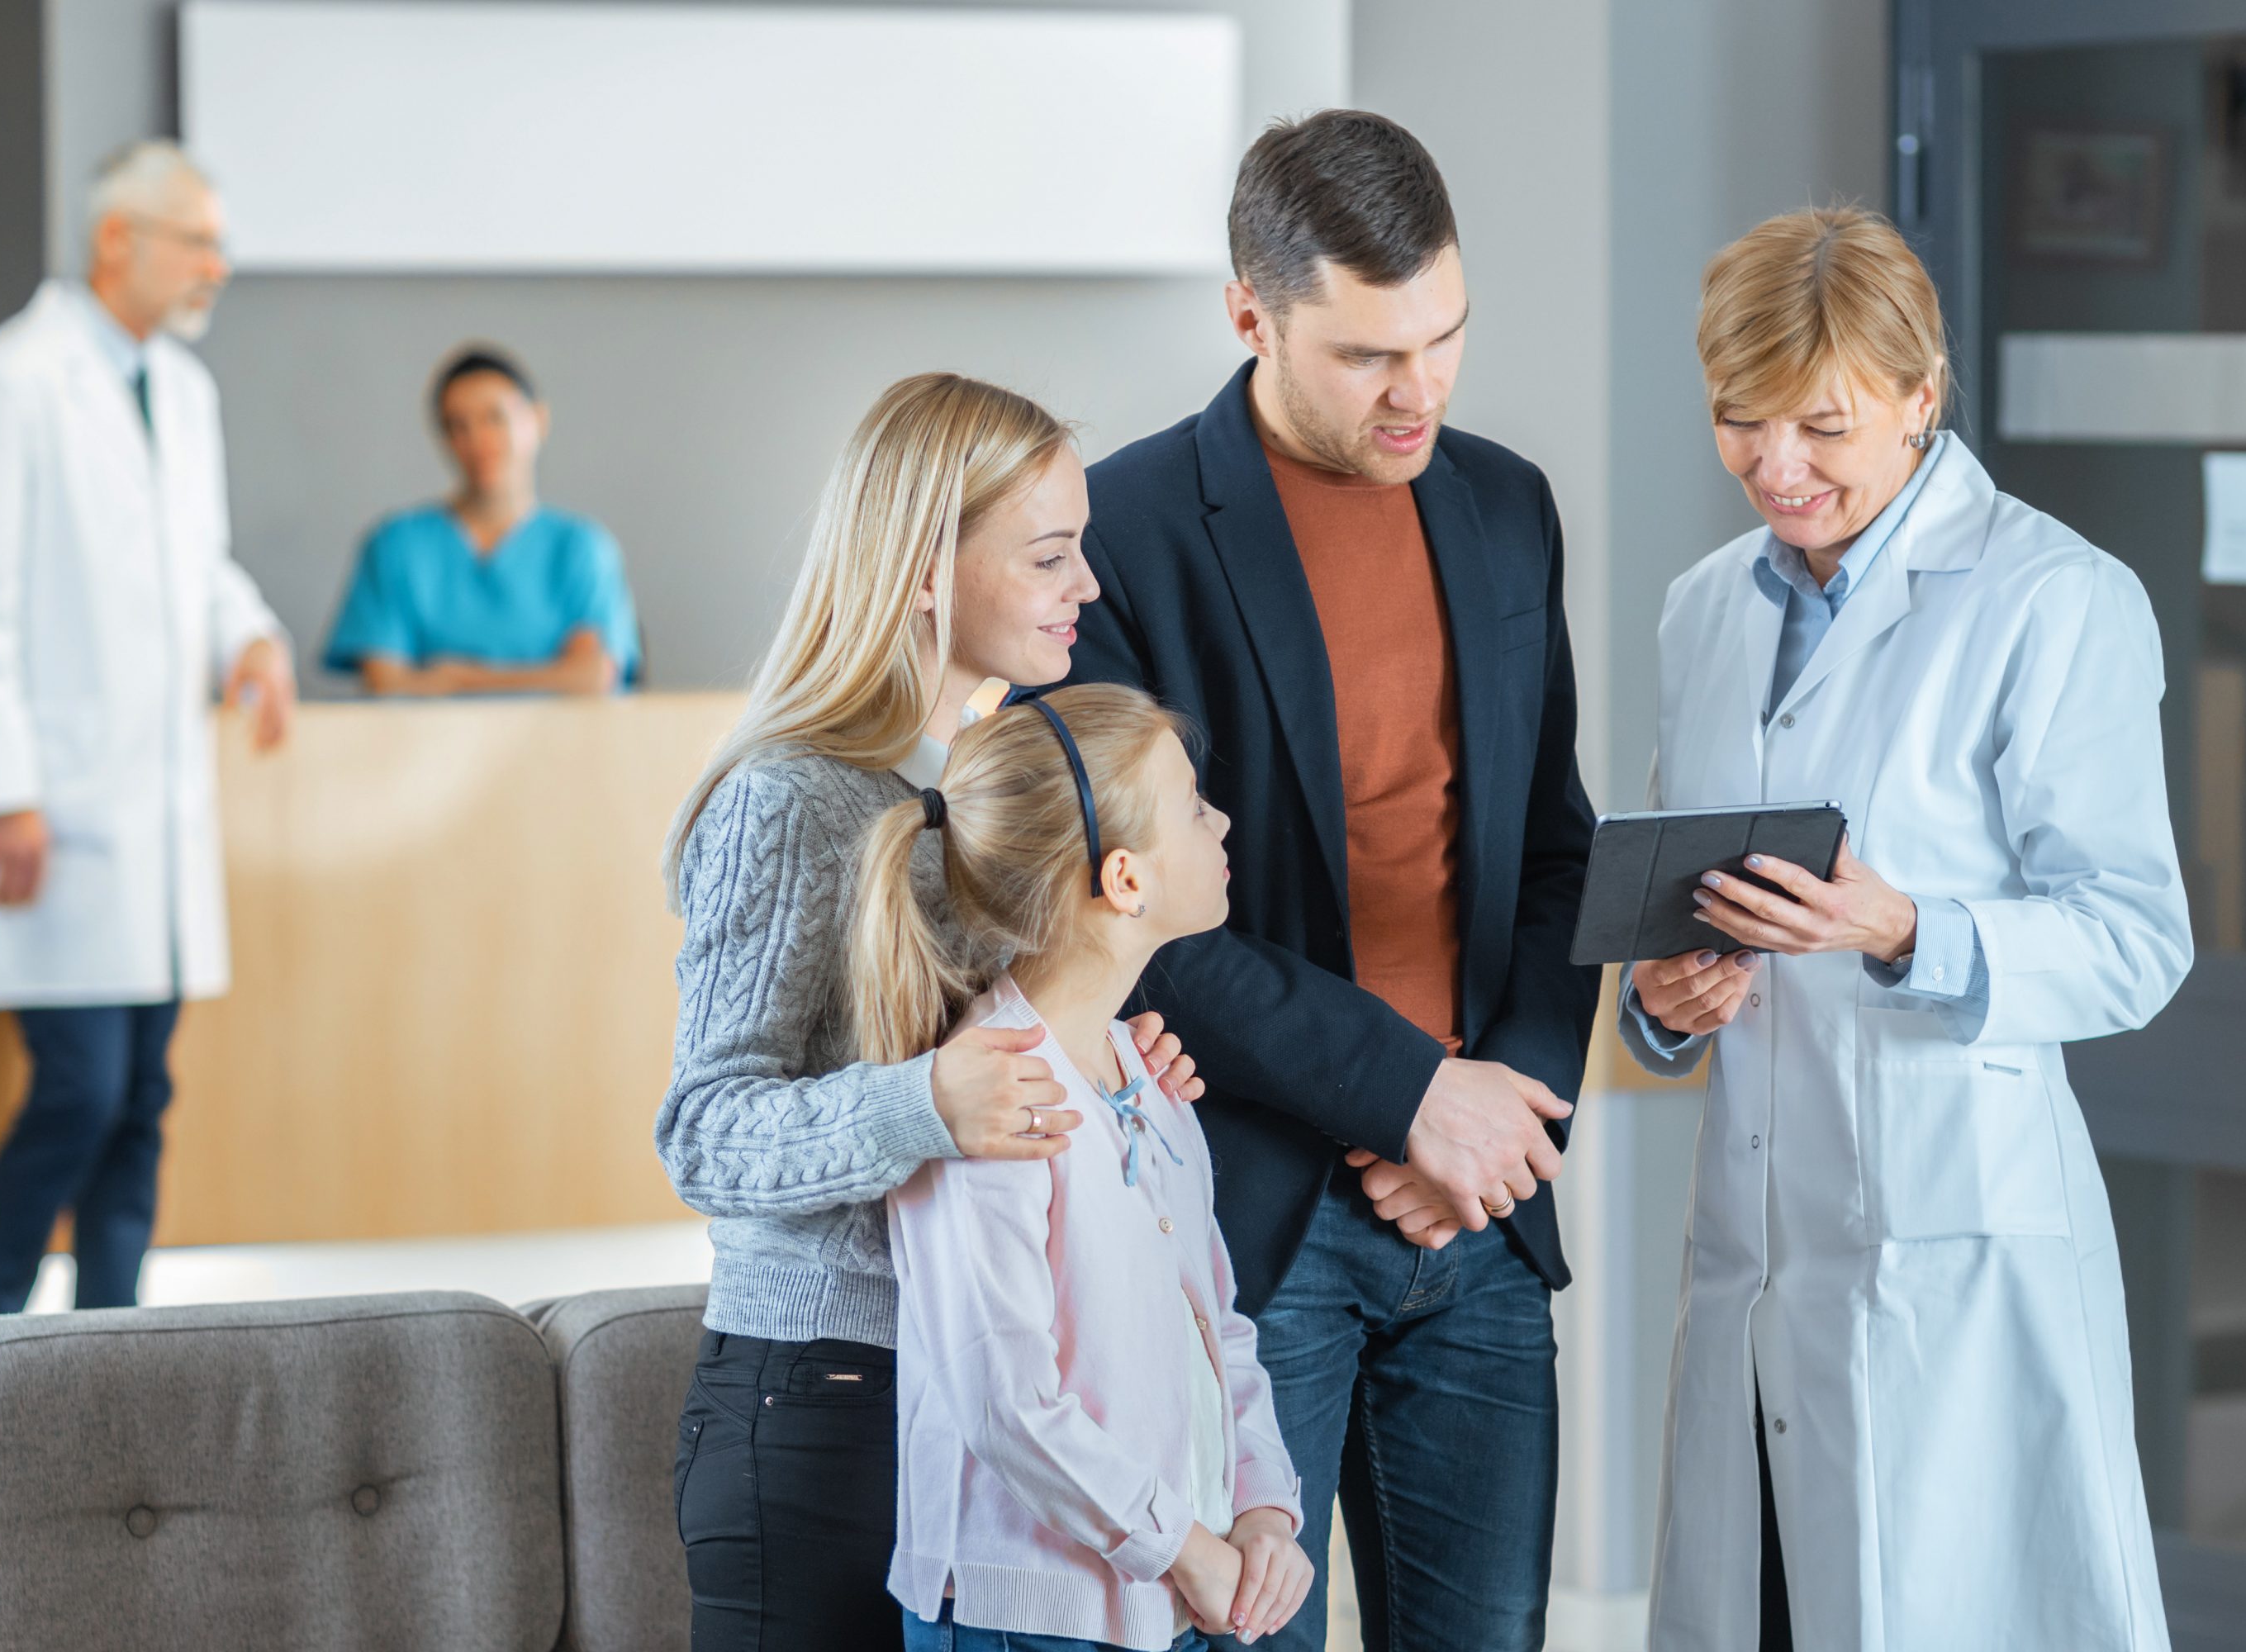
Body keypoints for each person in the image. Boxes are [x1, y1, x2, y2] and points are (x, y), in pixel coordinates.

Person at [1623, 207, 2191, 1652]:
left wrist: (1907, 930)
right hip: (1753, 1254)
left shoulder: (2054, 602)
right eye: (1739, 422)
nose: (1776, 467)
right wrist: (1662, 1004)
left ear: (1921, 398)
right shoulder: (1704, 614)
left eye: (1823, 424)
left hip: (1956, 1256)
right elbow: (1665, 899)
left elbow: (2135, 937)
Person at [1065, 111, 1598, 1650]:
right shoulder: (1122, 529)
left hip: (1481, 1219)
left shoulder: (1507, 504)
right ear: (1249, 314)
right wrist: (1407, 1099)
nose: (1419, 389)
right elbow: (1133, 922)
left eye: (1445, 337)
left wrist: (1497, 1110)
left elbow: (1553, 845)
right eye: (1370, 354)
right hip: (1250, 1224)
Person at [654, 373, 1205, 1652]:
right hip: (815, 1413)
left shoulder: (965, 792)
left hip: (948, 1415)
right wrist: (930, 1105)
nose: (1090, 589)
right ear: (924, 571)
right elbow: (706, 1135)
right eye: (1051, 556)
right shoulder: (787, 801)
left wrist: (1105, 1070)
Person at [0, 140, 297, 1318]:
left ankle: (116, 1357)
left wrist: (252, 640)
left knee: (139, 1104)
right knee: (79, 1093)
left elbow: (195, 569)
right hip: (57, 820)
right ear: (116, 239)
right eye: (198, 241)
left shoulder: (179, 389)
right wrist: (3, 794)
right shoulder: (5, 386)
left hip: (153, 827)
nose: (216, 267)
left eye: (222, 243)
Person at [863, 684, 1314, 1652]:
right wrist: (1184, 1548)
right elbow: (1008, 1403)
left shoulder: (1147, 1075)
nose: (1223, 819)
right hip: (1025, 1617)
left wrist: (1265, 1508)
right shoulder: (988, 1094)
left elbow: (1219, 1327)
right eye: (1194, 805)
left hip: (1165, 1601)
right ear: (1125, 879)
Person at [324, 346, 639, 694]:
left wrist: (456, 678)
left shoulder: (582, 548)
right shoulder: (395, 545)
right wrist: (546, 676)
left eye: (495, 418)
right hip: (426, 748)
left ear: (538, 421)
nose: (478, 441)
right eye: (458, 426)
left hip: (560, 747)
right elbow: (385, 684)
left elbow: (593, 679)